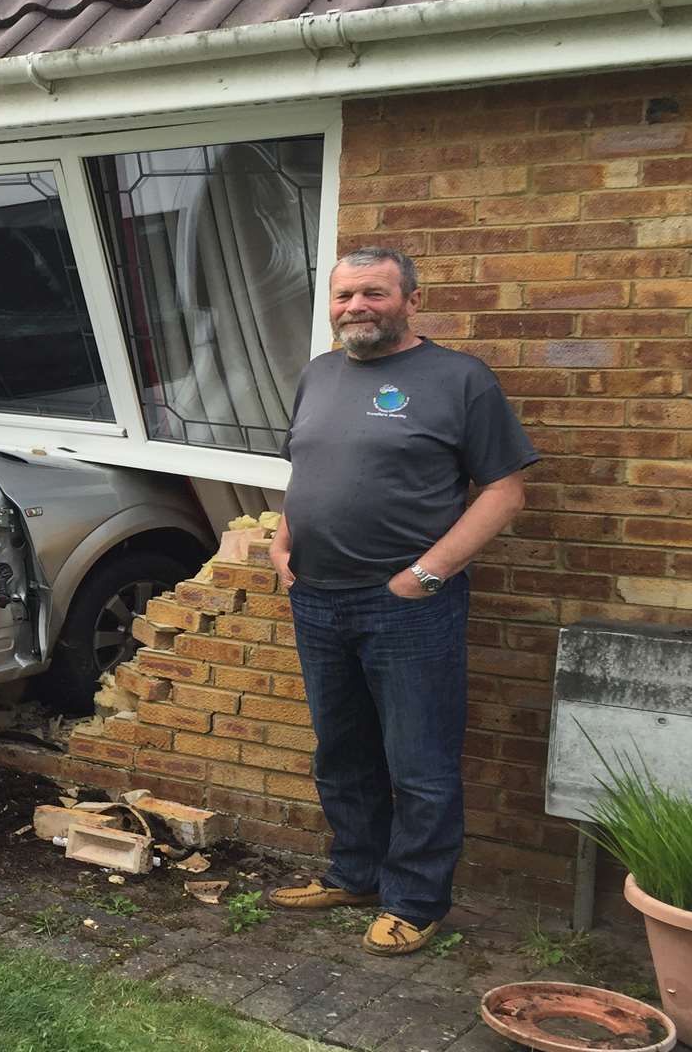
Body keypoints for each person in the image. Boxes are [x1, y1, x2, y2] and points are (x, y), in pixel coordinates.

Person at [264, 247, 536, 956]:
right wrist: (283, 540)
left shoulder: (458, 378)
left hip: (408, 609)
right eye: (345, 295)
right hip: (316, 599)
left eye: (374, 294)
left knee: (419, 761)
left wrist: (428, 574)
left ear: (411, 300)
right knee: (342, 751)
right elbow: (307, 467)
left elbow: (505, 491)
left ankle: (416, 900)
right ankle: (354, 873)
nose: (356, 307)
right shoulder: (319, 374)